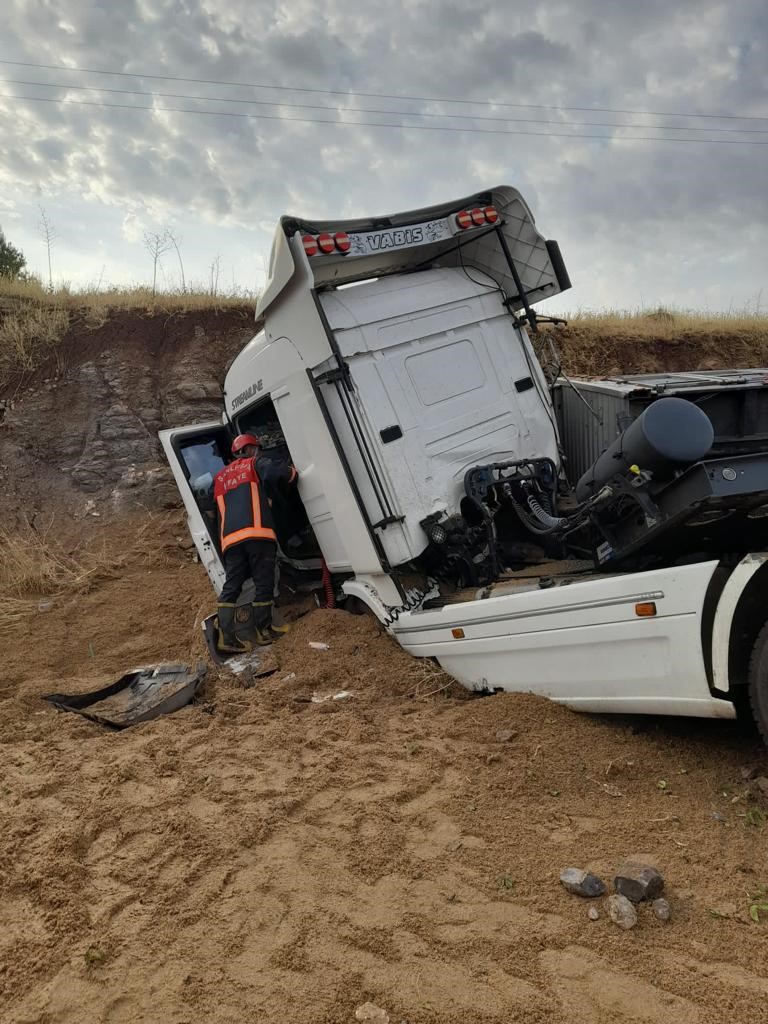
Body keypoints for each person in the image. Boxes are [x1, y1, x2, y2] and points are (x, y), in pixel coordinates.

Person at [213, 432, 298, 651]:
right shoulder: (254, 463)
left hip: (230, 541)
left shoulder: (220, 477)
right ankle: (264, 631)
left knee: (231, 586)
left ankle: (226, 639)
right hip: (257, 535)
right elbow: (280, 474)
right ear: (251, 449)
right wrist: (291, 475)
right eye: (257, 449)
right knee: (264, 582)